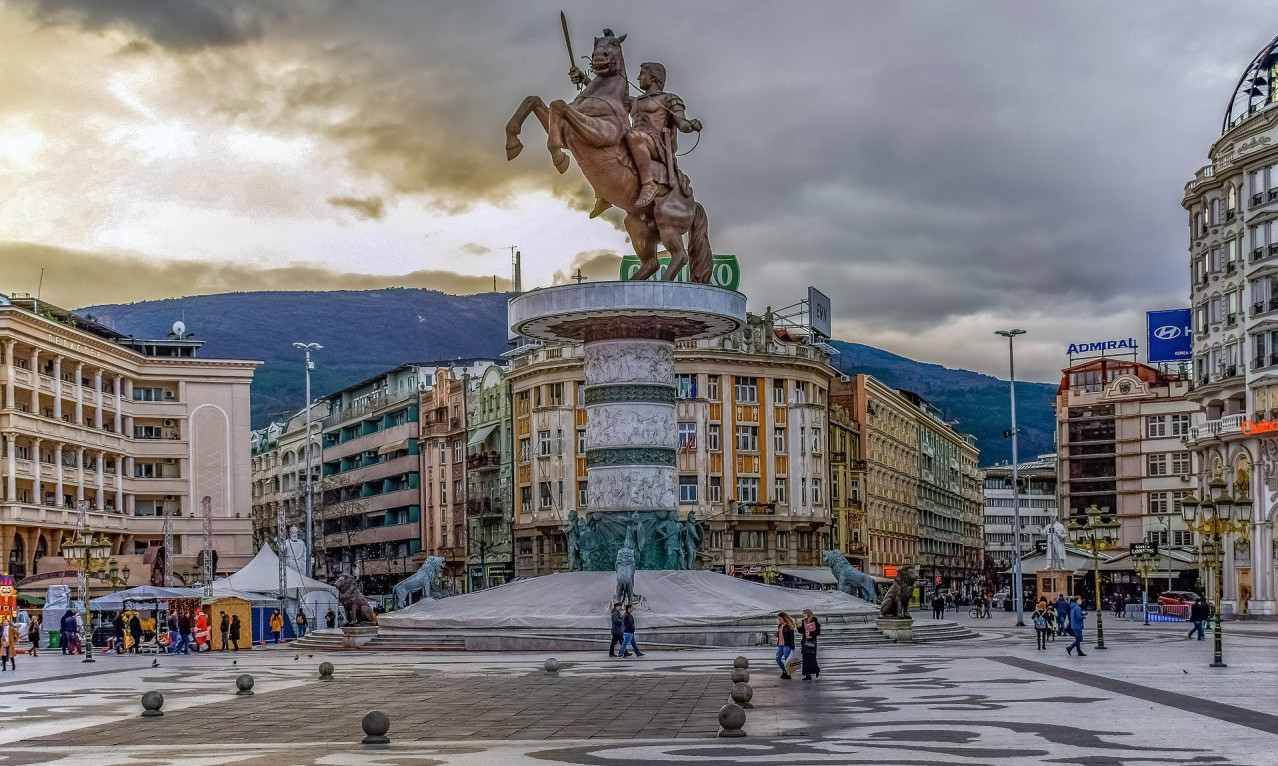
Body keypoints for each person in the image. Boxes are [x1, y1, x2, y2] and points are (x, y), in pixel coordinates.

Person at [800, 608, 821, 680]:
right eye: (803, 613)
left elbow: (818, 632)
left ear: (809, 614)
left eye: (805, 613)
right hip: (805, 641)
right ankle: (807, 675)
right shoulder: (803, 621)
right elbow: (802, 631)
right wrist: (798, 627)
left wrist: (810, 633)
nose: (804, 615)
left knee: (811, 658)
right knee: (805, 658)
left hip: (811, 642)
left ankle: (816, 669)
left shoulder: (814, 620)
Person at [775, 612, 796, 680]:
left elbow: (791, 637)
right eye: (778, 619)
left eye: (780, 619)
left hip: (787, 645)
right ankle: (784, 671)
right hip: (780, 645)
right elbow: (781, 635)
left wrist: (792, 646)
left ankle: (788, 673)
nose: (779, 620)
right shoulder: (780, 626)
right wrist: (777, 635)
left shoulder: (789, 626)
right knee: (777, 658)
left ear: (784, 618)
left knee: (787, 659)